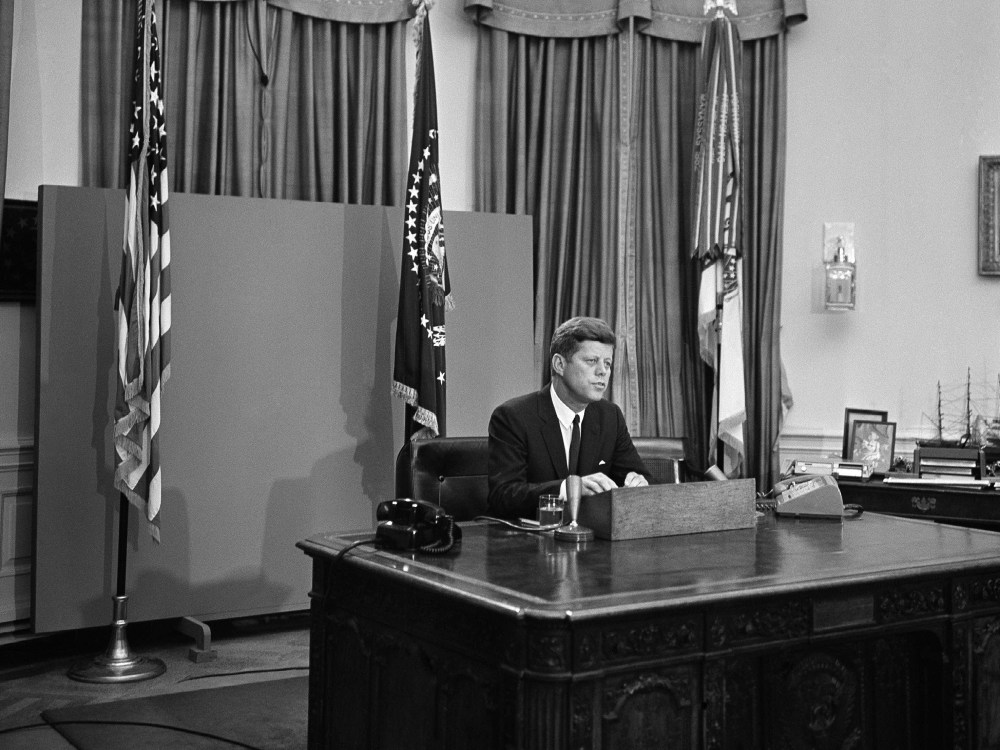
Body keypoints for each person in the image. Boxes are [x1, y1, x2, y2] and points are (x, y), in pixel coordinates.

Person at [487, 316, 650, 519]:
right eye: (592, 361)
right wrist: (569, 488)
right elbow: (504, 497)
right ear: (559, 364)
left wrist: (639, 484)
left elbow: (642, 478)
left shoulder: (610, 417)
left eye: (608, 364)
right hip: (531, 542)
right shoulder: (513, 417)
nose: (603, 372)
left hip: (593, 540)